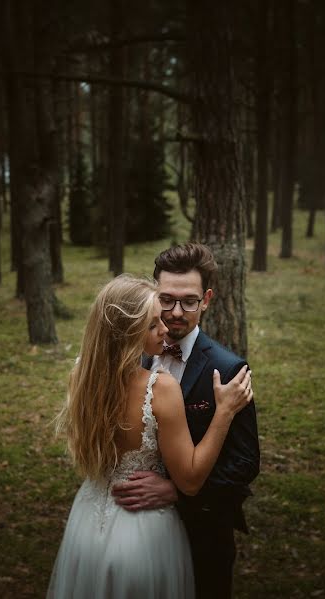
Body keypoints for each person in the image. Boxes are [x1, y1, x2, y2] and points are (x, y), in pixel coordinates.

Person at [47, 274, 253, 599]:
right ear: (128, 332)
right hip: (142, 535)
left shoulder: (81, 375)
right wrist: (224, 411)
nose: (165, 329)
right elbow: (190, 480)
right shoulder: (160, 388)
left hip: (85, 527)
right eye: (153, 324)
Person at [112, 243, 261, 599]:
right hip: (135, 533)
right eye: (166, 299)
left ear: (206, 299)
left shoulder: (228, 369)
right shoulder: (134, 355)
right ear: (152, 294)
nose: (176, 312)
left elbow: (245, 462)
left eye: (189, 301)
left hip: (203, 532)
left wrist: (177, 492)